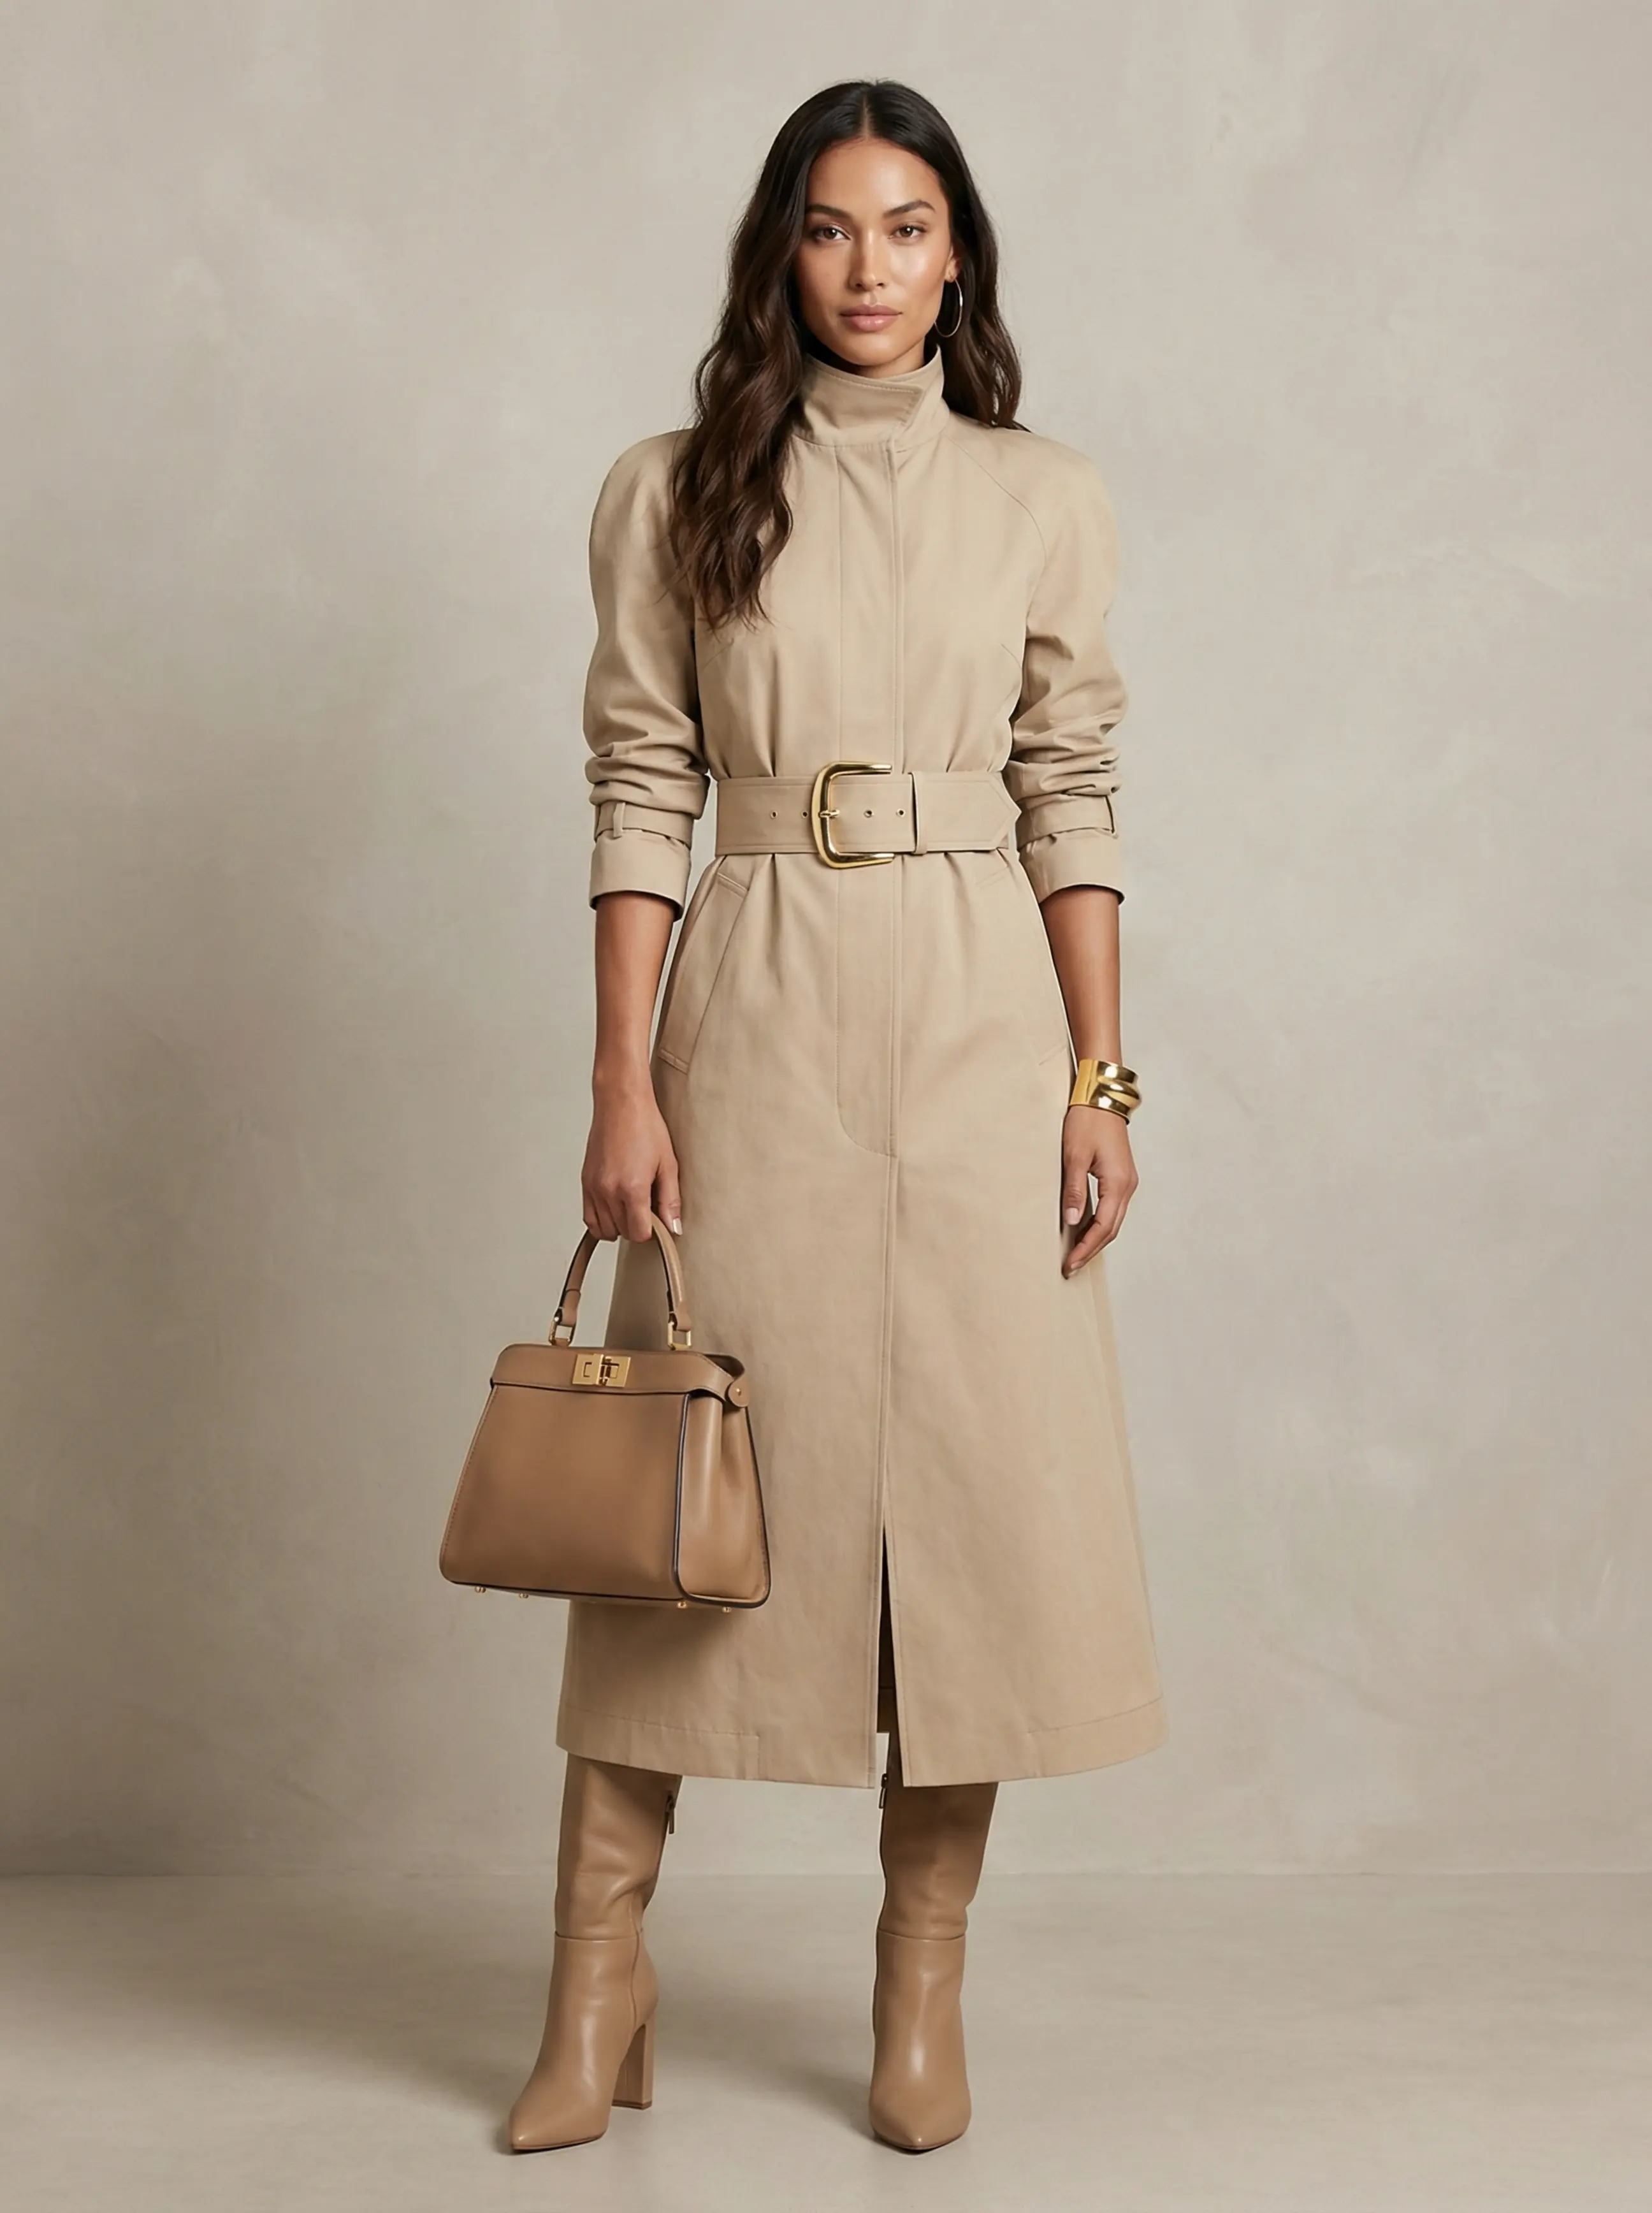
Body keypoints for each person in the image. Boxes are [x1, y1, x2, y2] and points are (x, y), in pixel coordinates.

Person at [508, 77, 1167, 2156]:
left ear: (957, 250)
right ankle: (596, 1990)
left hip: (981, 1020)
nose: (868, 268)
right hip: (761, 1010)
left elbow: (1073, 790)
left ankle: (922, 1989)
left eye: (906, 227)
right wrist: (624, 1080)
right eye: (828, 227)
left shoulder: (1045, 493)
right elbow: (638, 785)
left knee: (959, 1520)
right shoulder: (671, 488)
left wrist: (1099, 1080)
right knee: (683, 1510)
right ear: (777, 255)